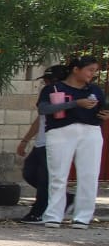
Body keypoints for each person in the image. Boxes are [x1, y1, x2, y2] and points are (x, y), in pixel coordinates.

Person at [37, 55, 106, 230]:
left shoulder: (95, 90)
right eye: (89, 70)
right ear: (76, 69)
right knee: (58, 175)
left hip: (90, 131)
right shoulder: (54, 88)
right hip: (61, 131)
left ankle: (83, 217)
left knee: (89, 175)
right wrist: (75, 103)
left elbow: (102, 108)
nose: (92, 74)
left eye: (94, 71)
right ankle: (53, 215)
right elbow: (44, 109)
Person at [16, 64, 70, 223]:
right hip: (41, 143)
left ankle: (39, 212)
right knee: (29, 173)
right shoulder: (48, 94)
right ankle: (66, 198)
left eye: (49, 80)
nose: (47, 84)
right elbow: (40, 119)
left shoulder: (66, 96)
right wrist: (25, 140)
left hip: (54, 143)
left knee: (44, 179)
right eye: (46, 80)